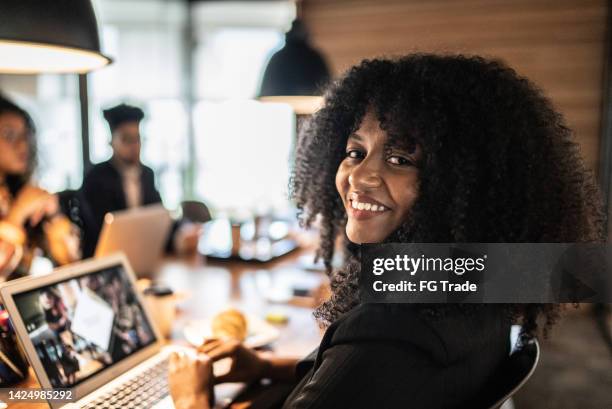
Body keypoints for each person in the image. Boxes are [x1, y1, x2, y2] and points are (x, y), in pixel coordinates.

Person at [167, 54, 605, 408]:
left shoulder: (394, 325)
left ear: (463, 182)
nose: (359, 177)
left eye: (400, 159)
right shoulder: (479, 277)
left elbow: (379, 362)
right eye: (356, 151)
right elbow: (369, 380)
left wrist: (192, 399)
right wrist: (271, 365)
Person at [79, 103, 200, 258]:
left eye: (137, 138)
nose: (134, 146)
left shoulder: (146, 174)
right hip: (106, 260)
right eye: (126, 139)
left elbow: (158, 216)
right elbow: (100, 232)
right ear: (111, 141)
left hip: (142, 257)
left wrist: (184, 231)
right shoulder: (96, 178)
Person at [0, 95, 80, 281]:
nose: (22, 145)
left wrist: (54, 216)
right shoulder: (21, 200)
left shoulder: (19, 191)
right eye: (8, 135)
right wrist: (18, 214)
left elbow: (70, 261)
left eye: (25, 135)